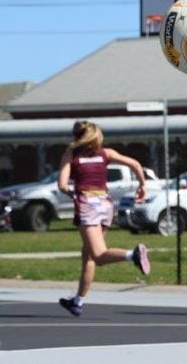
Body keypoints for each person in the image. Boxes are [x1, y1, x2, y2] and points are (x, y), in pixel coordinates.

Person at [56, 121, 151, 316]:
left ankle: (133, 255)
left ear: (76, 137)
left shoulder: (71, 154)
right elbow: (134, 163)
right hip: (105, 204)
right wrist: (142, 185)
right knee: (89, 255)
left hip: (87, 204)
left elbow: (62, 185)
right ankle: (77, 301)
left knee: (98, 255)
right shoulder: (105, 153)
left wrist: (74, 194)